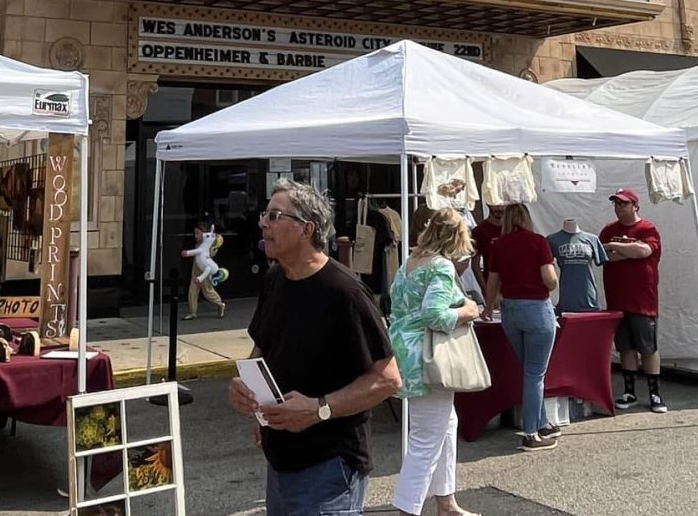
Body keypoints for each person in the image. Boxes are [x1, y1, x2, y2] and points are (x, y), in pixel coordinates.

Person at [228, 179, 400, 516]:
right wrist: (248, 390)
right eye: (266, 214)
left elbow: (388, 379)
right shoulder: (275, 279)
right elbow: (263, 346)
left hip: (330, 464)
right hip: (280, 457)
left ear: (306, 229)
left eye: (275, 215)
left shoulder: (344, 292)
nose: (264, 223)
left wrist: (320, 408)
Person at [389, 208, 481, 516]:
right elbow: (435, 315)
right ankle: (408, 509)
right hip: (428, 359)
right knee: (426, 439)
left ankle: (447, 503)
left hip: (405, 354)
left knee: (445, 426)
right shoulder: (440, 266)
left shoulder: (409, 263)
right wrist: (469, 311)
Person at [481, 203, 560, 451]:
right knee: (535, 372)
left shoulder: (498, 245)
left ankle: (541, 421)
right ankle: (531, 433)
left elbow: (492, 282)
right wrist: (554, 270)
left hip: (510, 310)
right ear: (526, 218)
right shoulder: (538, 242)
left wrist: (487, 307)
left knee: (528, 369)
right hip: (536, 308)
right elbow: (550, 280)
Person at [600, 188, 666, 413]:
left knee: (648, 348)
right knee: (626, 348)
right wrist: (623, 251)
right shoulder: (608, 230)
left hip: (643, 300)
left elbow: (643, 251)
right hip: (617, 300)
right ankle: (629, 392)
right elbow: (603, 256)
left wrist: (615, 247)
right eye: (616, 204)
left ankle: (655, 393)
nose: (619, 208)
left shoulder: (647, 228)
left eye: (623, 204)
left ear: (635, 206)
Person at [182, 222, 227, 320]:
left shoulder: (209, 245)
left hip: (205, 273)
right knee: (192, 292)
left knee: (207, 292)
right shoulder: (197, 244)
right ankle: (193, 312)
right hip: (196, 271)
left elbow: (211, 254)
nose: (195, 236)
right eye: (195, 233)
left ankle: (220, 304)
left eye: (197, 233)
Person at [470, 204, 505, 294]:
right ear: (488, 204)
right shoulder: (479, 231)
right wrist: (486, 290)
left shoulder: (512, 229)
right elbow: (475, 265)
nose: (500, 208)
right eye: (496, 205)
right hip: (493, 287)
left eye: (502, 205)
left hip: (514, 286)